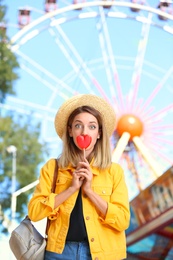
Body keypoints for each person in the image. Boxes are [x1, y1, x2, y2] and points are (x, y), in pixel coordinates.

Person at [28, 94, 130, 260]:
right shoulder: (52, 168)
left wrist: (89, 191)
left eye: (91, 126)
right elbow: (34, 212)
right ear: (70, 131)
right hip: (59, 253)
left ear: (99, 133)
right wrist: (71, 189)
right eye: (78, 126)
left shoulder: (114, 172)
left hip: (104, 254)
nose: (84, 132)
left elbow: (123, 221)